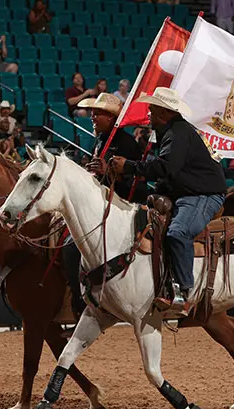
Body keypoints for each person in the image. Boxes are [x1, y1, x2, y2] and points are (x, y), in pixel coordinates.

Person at [109, 87, 227, 315]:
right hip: (186, 192)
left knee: (178, 233)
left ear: (164, 112)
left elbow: (166, 167)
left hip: (203, 195)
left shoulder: (178, 132)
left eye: (152, 110)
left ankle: (185, 293)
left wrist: (130, 167)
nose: (149, 115)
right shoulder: (171, 132)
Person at [62, 93, 150, 320]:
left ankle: (81, 299)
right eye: (93, 112)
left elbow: (139, 186)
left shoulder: (127, 144)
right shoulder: (101, 140)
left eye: (98, 113)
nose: (92, 116)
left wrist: (110, 174)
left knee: (72, 247)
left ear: (111, 118)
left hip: (121, 210)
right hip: (101, 207)